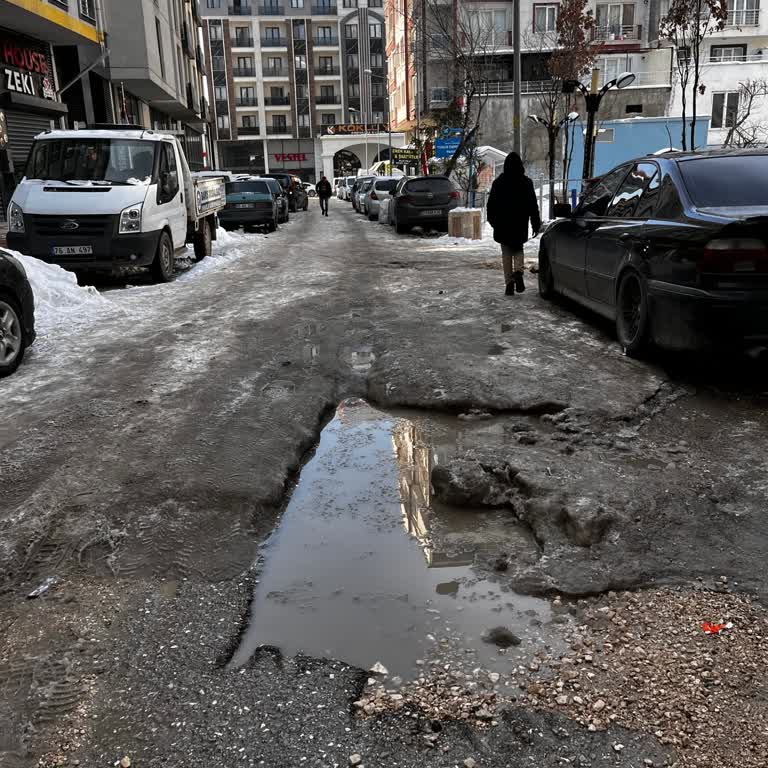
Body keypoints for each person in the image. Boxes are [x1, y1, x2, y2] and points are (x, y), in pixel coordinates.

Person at [486, 152, 541, 296]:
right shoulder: (526, 182)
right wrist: (535, 223)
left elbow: (491, 205)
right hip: (519, 223)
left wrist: (494, 222)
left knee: (506, 252)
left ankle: (509, 284)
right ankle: (518, 271)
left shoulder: (498, 183)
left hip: (502, 223)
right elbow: (532, 205)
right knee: (518, 249)